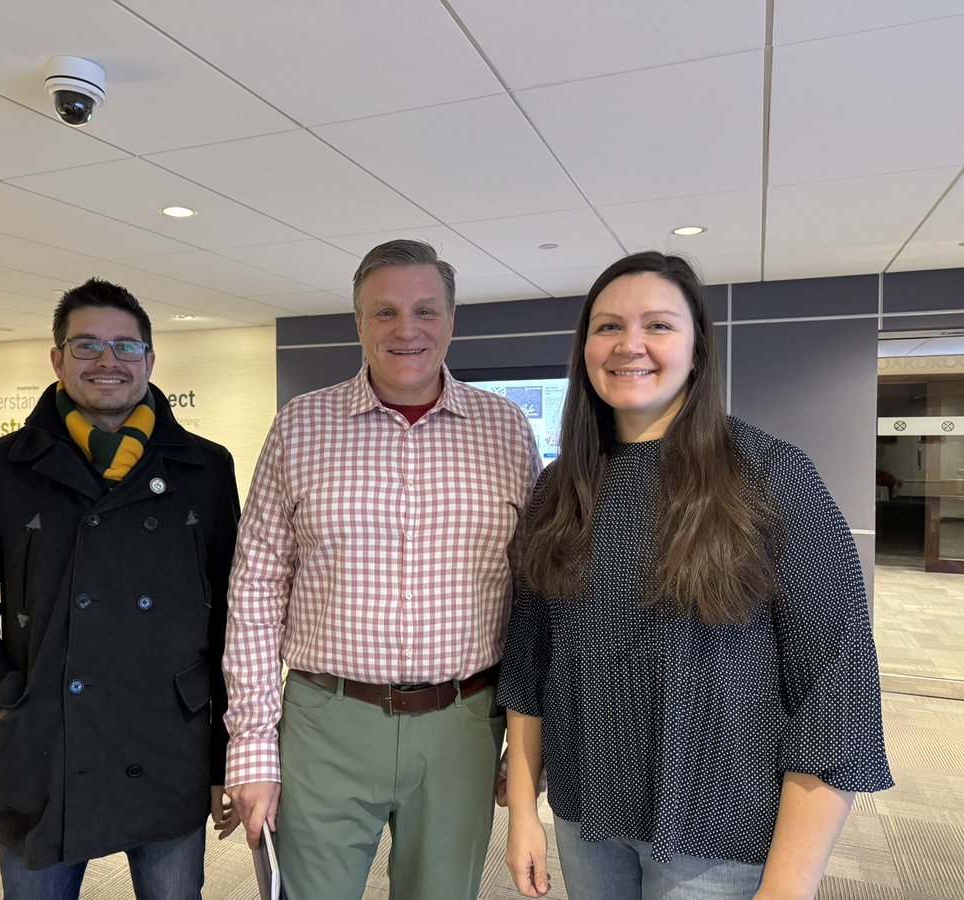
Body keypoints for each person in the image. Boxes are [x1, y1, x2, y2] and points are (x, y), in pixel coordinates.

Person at [500, 251, 893, 900]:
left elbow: (836, 693)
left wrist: (787, 889)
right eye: (607, 327)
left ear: (697, 347)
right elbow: (529, 662)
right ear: (585, 348)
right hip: (585, 816)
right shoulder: (560, 488)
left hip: (721, 841)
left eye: (658, 325)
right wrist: (523, 813)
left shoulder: (769, 475)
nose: (630, 345)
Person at [223, 239, 542, 900]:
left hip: (464, 723)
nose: (407, 329)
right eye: (385, 312)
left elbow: (533, 597)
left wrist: (528, 741)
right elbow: (254, 590)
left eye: (425, 310)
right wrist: (251, 745)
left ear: (451, 321)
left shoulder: (506, 429)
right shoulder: (299, 427)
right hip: (324, 722)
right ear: (359, 323)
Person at [0, 278, 240, 899]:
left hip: (169, 743)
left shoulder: (205, 468)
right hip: (43, 743)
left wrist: (226, 754)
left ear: (150, 361)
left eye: (126, 347)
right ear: (57, 359)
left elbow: (231, 618)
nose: (108, 362)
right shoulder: (1, 467)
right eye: (87, 345)